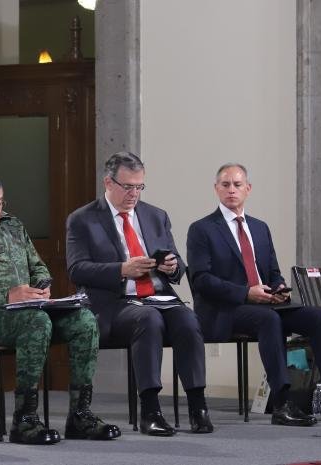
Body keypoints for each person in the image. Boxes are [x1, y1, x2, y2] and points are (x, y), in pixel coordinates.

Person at [0, 171, 121, 445]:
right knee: (36, 323)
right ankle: (25, 420)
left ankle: (80, 415)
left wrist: (42, 285)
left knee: (84, 321)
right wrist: (7, 295)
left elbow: (38, 266)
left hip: (26, 310)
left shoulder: (12, 225)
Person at [187, 163, 321, 426]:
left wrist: (279, 289)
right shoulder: (202, 229)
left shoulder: (260, 227)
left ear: (248, 189)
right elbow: (201, 280)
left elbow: (273, 272)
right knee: (269, 320)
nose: (231, 190)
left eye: (237, 185)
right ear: (216, 189)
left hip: (265, 304)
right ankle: (282, 403)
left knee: (317, 318)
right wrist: (246, 293)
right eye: (225, 185)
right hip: (224, 310)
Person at [66, 152, 212, 436]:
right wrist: (122, 269)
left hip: (158, 297)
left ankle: (198, 407)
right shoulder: (82, 219)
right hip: (114, 305)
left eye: (139, 187)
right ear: (108, 182)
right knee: (148, 319)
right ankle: (150, 410)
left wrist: (172, 267)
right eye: (127, 187)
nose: (134, 194)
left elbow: (178, 265)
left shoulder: (156, 216)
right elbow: (77, 270)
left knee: (187, 319)